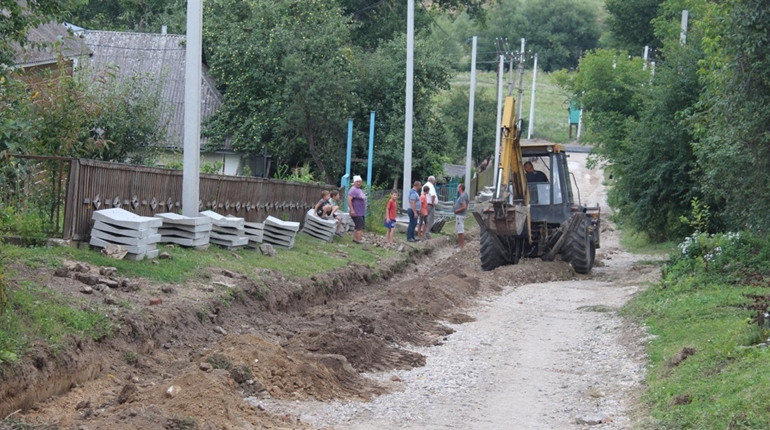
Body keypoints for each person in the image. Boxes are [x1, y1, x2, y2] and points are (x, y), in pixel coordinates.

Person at [347, 175, 367, 244]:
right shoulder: (353, 189)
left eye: (360, 182)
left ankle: (355, 239)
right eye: (357, 182)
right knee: (359, 227)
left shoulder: (358, 190)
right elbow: (349, 200)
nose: (359, 183)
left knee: (357, 226)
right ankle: (358, 240)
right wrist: (352, 210)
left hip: (360, 212)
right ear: (354, 182)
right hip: (356, 212)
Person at [454, 183, 469, 249]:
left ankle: (461, 245)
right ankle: (460, 244)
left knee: (460, 230)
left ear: (460, 188)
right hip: (460, 215)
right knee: (459, 230)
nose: (457, 188)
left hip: (460, 215)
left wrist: (457, 211)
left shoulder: (463, 196)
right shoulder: (464, 195)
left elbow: (464, 207)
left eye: (458, 187)